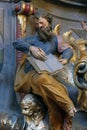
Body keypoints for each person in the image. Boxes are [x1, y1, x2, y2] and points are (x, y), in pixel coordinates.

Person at [13, 11, 77, 130]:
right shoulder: (32, 39)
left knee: (59, 98)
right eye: (37, 24)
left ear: (49, 23)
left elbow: (68, 50)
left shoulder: (55, 39)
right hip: (32, 75)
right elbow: (17, 42)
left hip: (51, 74)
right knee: (43, 78)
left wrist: (65, 59)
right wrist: (31, 48)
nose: (40, 26)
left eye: (42, 23)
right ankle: (67, 105)